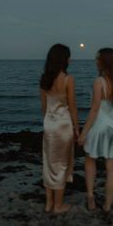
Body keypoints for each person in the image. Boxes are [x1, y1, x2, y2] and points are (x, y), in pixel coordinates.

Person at [78, 48, 113, 212]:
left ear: (104, 61)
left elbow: (94, 110)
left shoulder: (99, 82)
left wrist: (83, 132)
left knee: (90, 161)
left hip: (98, 128)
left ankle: (90, 196)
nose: (96, 61)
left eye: (98, 58)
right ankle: (107, 206)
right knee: (111, 168)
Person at [40, 43, 79, 214]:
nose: (70, 59)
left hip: (49, 124)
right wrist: (77, 128)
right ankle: (58, 205)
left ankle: (48, 203)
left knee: (48, 163)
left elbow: (44, 107)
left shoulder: (44, 79)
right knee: (62, 164)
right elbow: (72, 107)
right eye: (68, 56)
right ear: (63, 59)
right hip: (63, 125)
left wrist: (49, 121)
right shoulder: (68, 79)